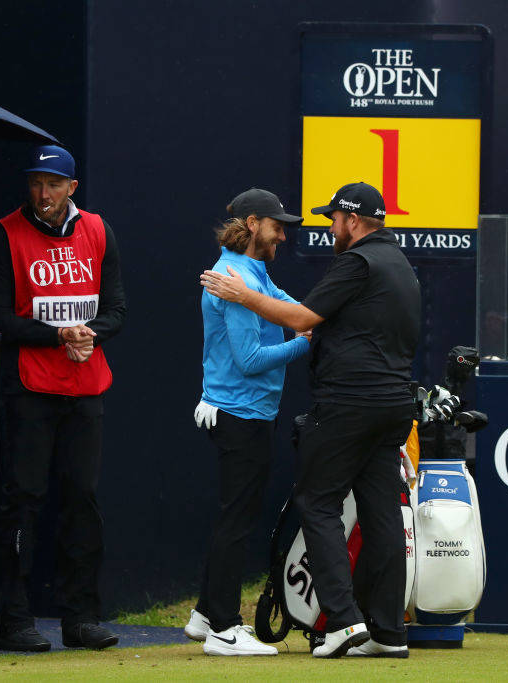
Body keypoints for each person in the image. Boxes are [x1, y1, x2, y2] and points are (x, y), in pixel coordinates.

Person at [200, 182, 421, 659]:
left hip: (348, 405)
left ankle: (343, 622)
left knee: (317, 502)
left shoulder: (356, 262)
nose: (328, 229)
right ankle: (387, 632)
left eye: (334, 220)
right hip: (389, 406)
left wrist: (256, 304)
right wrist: (303, 329)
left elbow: (302, 318)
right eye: (279, 227)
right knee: (381, 512)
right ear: (254, 225)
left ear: (354, 222)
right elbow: (289, 329)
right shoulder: (400, 263)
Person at [0, 145, 127, 652]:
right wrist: (58, 335)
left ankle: (80, 618)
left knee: (81, 501)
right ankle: (15, 619)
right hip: (30, 387)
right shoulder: (4, 234)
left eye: (53, 184)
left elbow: (117, 308)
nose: (43, 194)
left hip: (87, 387)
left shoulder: (99, 230)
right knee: (23, 501)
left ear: (72, 189)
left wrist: (90, 334)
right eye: (36, 183)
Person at [186, 188, 309, 656]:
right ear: (253, 224)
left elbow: (292, 310)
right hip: (239, 413)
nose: (283, 234)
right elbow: (251, 358)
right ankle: (223, 628)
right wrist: (308, 342)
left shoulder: (252, 272)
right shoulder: (232, 278)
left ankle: (203, 614)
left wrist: (315, 321)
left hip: (247, 412)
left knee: (233, 517)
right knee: (235, 521)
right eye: (278, 225)